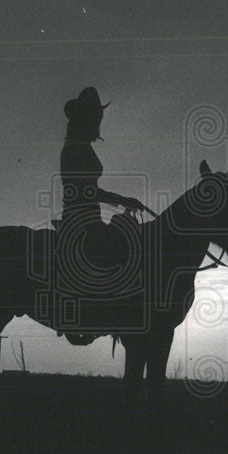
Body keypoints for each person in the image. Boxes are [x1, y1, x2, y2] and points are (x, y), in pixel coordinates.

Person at [57, 86, 155, 315]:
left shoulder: (79, 146)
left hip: (85, 216)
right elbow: (88, 191)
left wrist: (122, 201)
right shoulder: (76, 148)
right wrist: (122, 200)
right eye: (95, 116)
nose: (98, 121)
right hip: (81, 220)